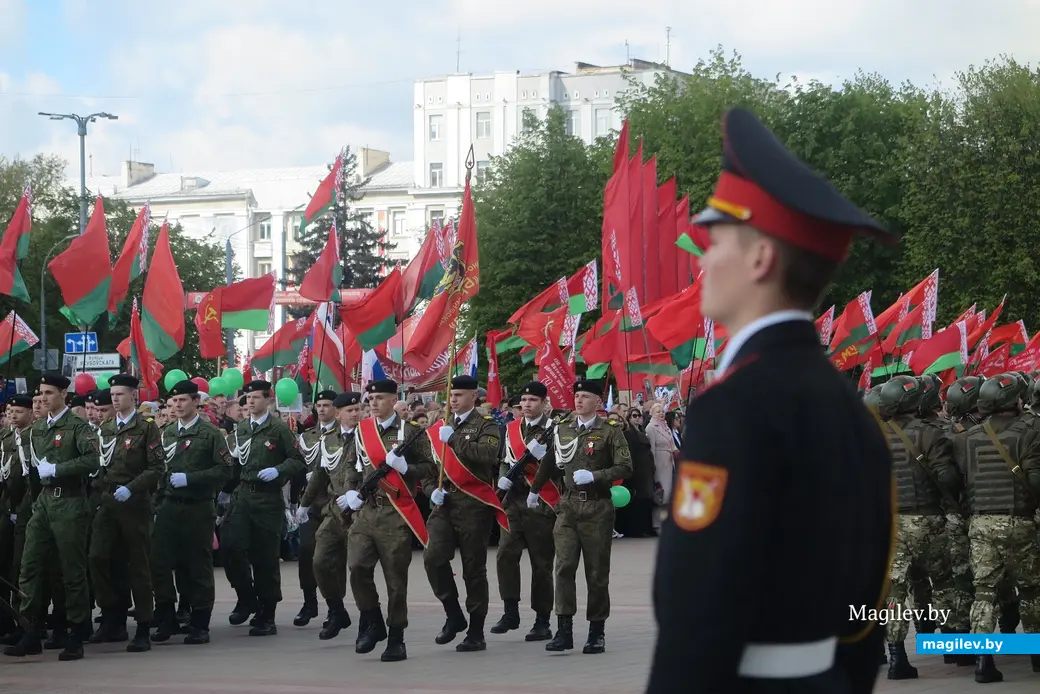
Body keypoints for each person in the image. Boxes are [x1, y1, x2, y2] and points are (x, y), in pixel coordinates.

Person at [647, 107, 895, 693]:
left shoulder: (734, 407)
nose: (702, 261)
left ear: (761, 258)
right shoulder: (853, 410)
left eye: (716, 242)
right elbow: (872, 597)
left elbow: (698, 606)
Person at [529, 378, 631, 654]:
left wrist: (597, 476)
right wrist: (535, 489)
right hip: (569, 507)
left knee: (596, 572)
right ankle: (564, 630)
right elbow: (551, 460)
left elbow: (625, 466)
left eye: (586, 396)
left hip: (597, 508)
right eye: (577, 396)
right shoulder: (563, 428)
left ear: (598, 402)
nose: (579, 400)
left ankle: (596, 631)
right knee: (563, 567)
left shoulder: (610, 432)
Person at [6, 372, 101, 661]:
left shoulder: (78, 426)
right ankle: (30, 628)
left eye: (48, 393)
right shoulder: (37, 430)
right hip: (44, 503)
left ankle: (75, 632)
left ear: (63, 394)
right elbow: (32, 473)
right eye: (41, 393)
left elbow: (92, 460)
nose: (43, 398)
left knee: (71, 571)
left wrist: (58, 469)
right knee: (30, 567)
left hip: (70, 502)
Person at [952, 374, 1040, 682]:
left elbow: (961, 479)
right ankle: (1036, 656)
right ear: (1015, 400)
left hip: (980, 522)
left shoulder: (968, 437)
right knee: (1030, 590)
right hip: (1019, 521)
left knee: (985, 591)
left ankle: (983, 662)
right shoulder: (1031, 432)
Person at [346, 378, 435, 662]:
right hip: (367, 511)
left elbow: (430, 466)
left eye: (380, 398)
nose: (373, 404)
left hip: (396, 513)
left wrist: (406, 467)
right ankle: (373, 621)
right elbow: (352, 463)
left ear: (394, 399)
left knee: (395, 580)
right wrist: (351, 491)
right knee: (358, 567)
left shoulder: (412, 432)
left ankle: (397, 637)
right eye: (370, 399)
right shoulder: (362, 430)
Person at [424, 375, 504, 652]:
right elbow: (428, 468)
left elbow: (488, 455)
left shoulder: (486, 425)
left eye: (458, 395)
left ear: (473, 396)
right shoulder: (438, 427)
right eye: (451, 395)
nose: (453, 400)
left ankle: (476, 630)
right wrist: (428, 491)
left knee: (473, 569)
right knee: (433, 557)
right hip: (444, 504)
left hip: (473, 505)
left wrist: (456, 439)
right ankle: (453, 614)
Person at [151, 379, 233, 645]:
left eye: (183, 400)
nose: (177, 405)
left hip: (197, 508)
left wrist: (192, 478)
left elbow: (224, 470)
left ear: (196, 401)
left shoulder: (210, 433)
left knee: (197, 565)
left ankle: (200, 622)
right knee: (160, 563)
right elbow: (159, 469)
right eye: (173, 401)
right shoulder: (167, 433)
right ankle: (166, 616)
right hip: (169, 506)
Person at [88, 373, 164, 653]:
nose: (115, 399)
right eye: (112, 395)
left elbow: (157, 468)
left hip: (134, 504)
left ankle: (143, 625)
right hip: (108, 503)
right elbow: (101, 467)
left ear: (134, 396)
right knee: (98, 557)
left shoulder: (146, 427)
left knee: (138, 565)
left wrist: (131, 489)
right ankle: (112, 614)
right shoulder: (106, 427)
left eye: (120, 394)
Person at [223, 379, 305, 635]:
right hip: (243, 497)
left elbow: (298, 462)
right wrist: (225, 491)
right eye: (247, 398)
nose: (250, 402)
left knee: (265, 558)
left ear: (268, 400)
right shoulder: (241, 429)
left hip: (267, 500)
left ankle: (266, 613)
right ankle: (246, 597)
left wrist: (278, 470)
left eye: (256, 397)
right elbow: (236, 463)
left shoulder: (279, 428)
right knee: (230, 547)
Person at [491, 380, 557, 641]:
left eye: (532, 401)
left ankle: (542, 620)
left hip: (540, 505)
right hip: (513, 503)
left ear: (543, 403)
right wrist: (502, 479)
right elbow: (505, 460)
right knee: (505, 555)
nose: (527, 406)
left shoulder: (554, 430)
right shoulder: (511, 430)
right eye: (523, 402)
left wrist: (544, 459)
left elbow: (562, 464)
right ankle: (510, 611)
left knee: (541, 563)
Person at [303, 391, 362, 640]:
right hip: (334, 510)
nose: (356, 414)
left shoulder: (369, 436)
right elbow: (319, 473)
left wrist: (356, 494)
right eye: (350, 410)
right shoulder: (329, 440)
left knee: (359, 568)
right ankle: (336, 610)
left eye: (359, 409)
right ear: (338, 414)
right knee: (320, 561)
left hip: (361, 510)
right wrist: (304, 504)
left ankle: (369, 618)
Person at [292, 390, 338, 628]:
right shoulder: (307, 436)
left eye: (327, 405)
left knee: (331, 557)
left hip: (334, 502)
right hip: (310, 503)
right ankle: (309, 601)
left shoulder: (344, 435)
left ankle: (334, 607)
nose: (321, 409)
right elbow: (296, 464)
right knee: (306, 551)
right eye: (318, 405)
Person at [645, 403, 677, 532]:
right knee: (660, 494)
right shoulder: (651, 427)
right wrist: (653, 467)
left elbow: (672, 444)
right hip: (659, 463)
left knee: (669, 494)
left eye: (662, 411)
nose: (661, 413)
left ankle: (666, 522)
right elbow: (651, 449)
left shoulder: (666, 427)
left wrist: (676, 453)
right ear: (651, 413)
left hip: (669, 463)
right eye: (657, 411)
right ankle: (657, 524)